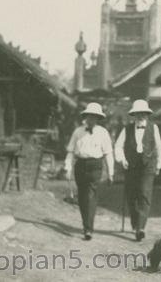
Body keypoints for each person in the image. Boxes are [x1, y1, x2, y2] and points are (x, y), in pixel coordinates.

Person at [114, 99, 161, 242]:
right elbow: (118, 146)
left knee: (144, 193)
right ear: (134, 115)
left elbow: (159, 148)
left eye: (143, 113)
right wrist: (122, 159)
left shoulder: (153, 128)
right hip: (131, 167)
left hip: (148, 166)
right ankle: (135, 223)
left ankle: (141, 228)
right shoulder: (127, 129)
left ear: (147, 115)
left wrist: (159, 164)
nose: (141, 116)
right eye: (138, 114)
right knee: (132, 196)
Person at [64, 102, 114, 240]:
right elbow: (70, 151)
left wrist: (111, 172)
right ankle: (86, 224)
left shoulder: (103, 133)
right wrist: (67, 168)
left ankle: (88, 229)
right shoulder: (78, 132)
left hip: (95, 166)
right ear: (85, 117)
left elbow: (108, 153)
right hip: (80, 165)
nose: (91, 119)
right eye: (89, 116)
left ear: (98, 118)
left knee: (91, 196)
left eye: (94, 117)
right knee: (82, 196)